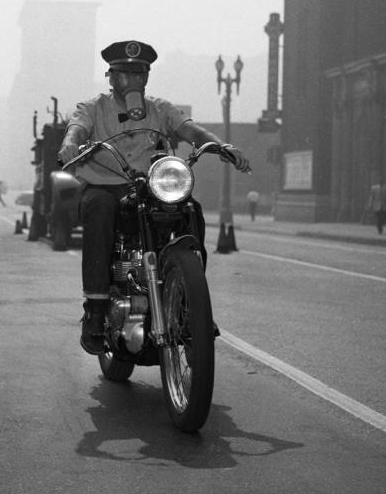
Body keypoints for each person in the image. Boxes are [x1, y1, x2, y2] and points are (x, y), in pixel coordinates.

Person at [56, 40, 251, 355]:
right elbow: (76, 129)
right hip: (107, 186)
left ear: (147, 78)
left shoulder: (161, 109)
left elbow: (191, 130)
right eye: (124, 74)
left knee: (190, 210)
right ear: (110, 77)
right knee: (98, 208)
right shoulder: (92, 108)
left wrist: (221, 145)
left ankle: (191, 305)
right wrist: (70, 144)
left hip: (152, 185)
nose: (132, 81)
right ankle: (95, 309)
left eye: (139, 74)